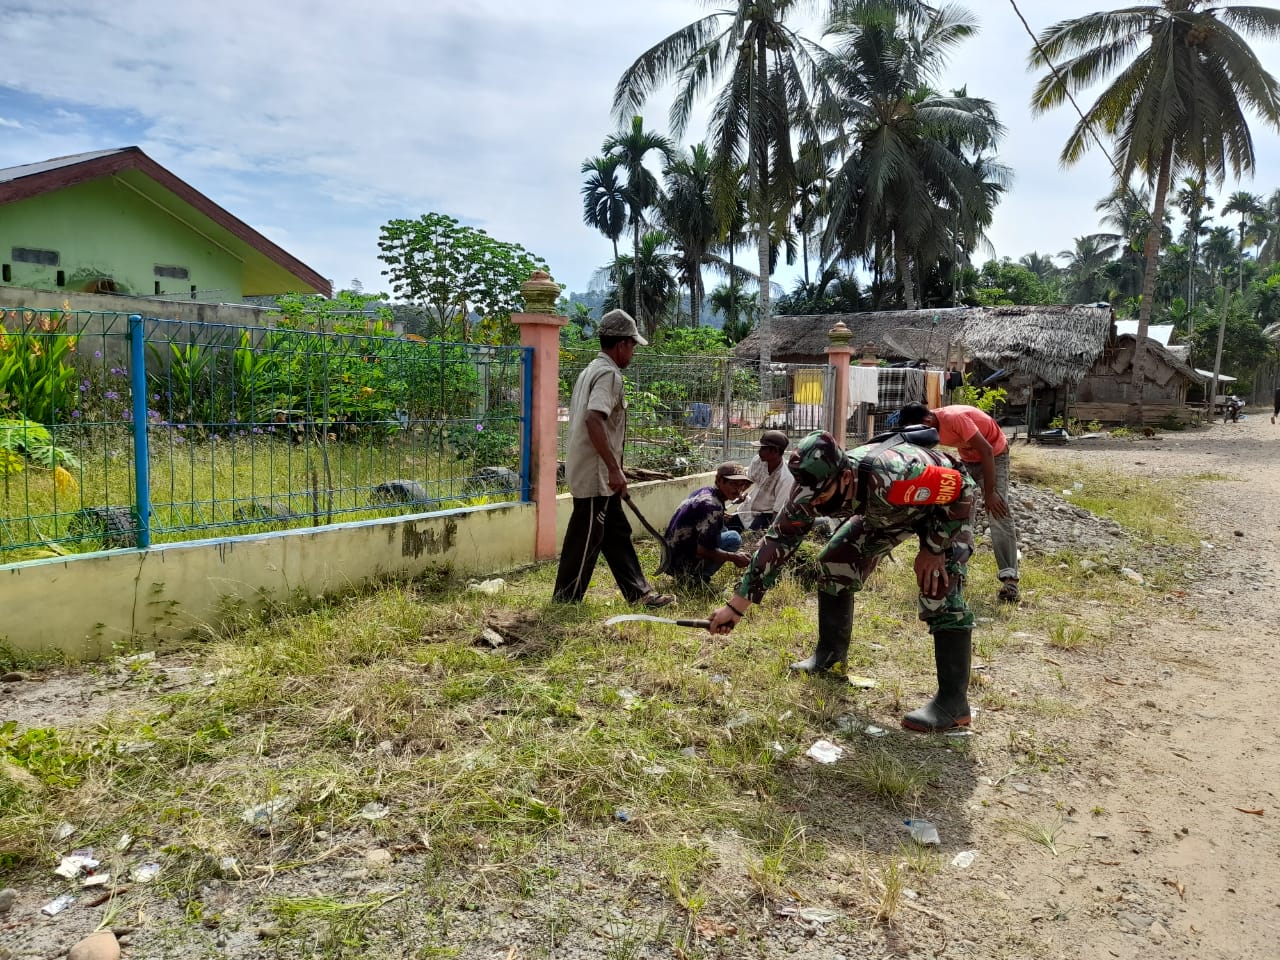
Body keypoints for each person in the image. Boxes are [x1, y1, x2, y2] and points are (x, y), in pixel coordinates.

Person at [706, 430, 978, 732]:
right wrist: (736, 606)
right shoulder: (809, 487)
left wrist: (934, 548)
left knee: (938, 586)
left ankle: (953, 704)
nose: (817, 503)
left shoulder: (896, 475)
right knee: (835, 562)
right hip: (883, 513)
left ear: (846, 477)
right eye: (811, 494)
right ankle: (830, 657)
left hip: (943, 510)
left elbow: (962, 490)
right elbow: (778, 542)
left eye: (823, 494)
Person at [553, 309, 674, 608]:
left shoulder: (590, 369)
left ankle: (639, 593)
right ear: (621, 344)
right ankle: (566, 600)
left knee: (616, 532)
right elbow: (594, 420)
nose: (633, 352)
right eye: (632, 346)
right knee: (584, 538)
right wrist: (612, 469)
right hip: (596, 474)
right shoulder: (609, 374)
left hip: (596, 471)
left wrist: (615, 469)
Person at [897, 401, 1020, 604]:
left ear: (927, 421)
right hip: (969, 459)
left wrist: (990, 493)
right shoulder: (929, 425)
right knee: (960, 513)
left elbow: (987, 450)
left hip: (994, 455)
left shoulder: (954, 418)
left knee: (998, 511)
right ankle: (957, 572)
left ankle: (1010, 580)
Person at [663, 462, 753, 585]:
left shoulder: (705, 492)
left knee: (723, 529)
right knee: (734, 538)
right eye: (733, 484)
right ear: (719, 480)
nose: (738, 489)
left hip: (668, 555)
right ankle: (696, 578)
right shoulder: (712, 507)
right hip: (679, 563)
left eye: (741, 485)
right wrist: (734, 557)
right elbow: (702, 550)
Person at [727, 430, 793, 532]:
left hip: (766, 514)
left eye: (763, 448)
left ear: (775, 451)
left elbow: (777, 512)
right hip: (747, 508)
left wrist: (771, 533)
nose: (759, 451)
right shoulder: (758, 461)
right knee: (726, 528)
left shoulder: (786, 478)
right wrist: (740, 493)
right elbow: (749, 481)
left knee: (750, 537)